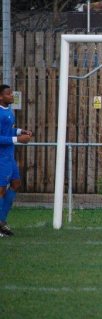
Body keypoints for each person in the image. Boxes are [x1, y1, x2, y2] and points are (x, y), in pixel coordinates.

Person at [0, 85, 33, 237]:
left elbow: (8, 131)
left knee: (16, 184)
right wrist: (18, 139)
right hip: (1, 157)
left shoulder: (9, 111)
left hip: (9, 156)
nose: (12, 96)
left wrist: (21, 131)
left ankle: (2, 221)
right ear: (1, 97)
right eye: (8, 94)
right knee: (0, 190)